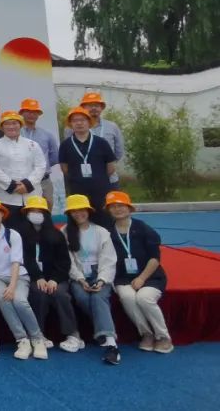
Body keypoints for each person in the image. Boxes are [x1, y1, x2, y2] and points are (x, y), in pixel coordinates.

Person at [0, 197, 46, 360]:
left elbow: (16, 262)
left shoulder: (12, 234)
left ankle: (37, 338)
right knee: (4, 299)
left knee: (20, 301)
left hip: (18, 276)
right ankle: (22, 340)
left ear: (2, 214)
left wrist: (13, 286)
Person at [105, 191, 174, 353]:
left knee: (144, 298)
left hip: (150, 276)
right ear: (108, 211)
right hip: (122, 277)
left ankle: (163, 336)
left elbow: (155, 258)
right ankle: (146, 334)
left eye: (121, 206)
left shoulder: (143, 229)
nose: (117, 209)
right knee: (128, 297)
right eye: (113, 207)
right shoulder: (107, 232)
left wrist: (142, 278)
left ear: (129, 208)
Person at [64, 194, 120, 365]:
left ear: (88, 211)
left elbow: (108, 260)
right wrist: (80, 279)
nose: (78, 213)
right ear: (69, 213)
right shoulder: (65, 232)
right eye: (74, 211)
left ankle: (111, 344)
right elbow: (68, 261)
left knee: (98, 296)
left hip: (99, 272)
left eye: (82, 210)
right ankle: (103, 329)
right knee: (81, 296)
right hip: (78, 274)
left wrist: (102, 280)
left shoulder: (101, 232)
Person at [20, 196, 79, 352]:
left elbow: (64, 262)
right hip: (34, 277)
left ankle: (72, 334)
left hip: (56, 278)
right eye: (32, 211)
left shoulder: (57, 235)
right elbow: (25, 259)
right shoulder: (21, 235)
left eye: (39, 211)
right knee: (38, 294)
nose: (36, 214)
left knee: (60, 294)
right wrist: (38, 277)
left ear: (46, 214)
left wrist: (54, 279)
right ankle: (38, 333)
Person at [0, 111, 47, 228]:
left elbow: (41, 166)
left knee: (34, 230)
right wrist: (12, 185)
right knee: (11, 230)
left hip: (32, 195)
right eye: (7, 124)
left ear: (20, 125)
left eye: (14, 123)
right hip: (6, 197)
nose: (11, 126)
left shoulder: (33, 145)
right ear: (2, 127)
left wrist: (27, 184)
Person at [60, 107, 116, 229]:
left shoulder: (101, 142)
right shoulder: (65, 145)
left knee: (105, 222)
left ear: (89, 122)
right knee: (78, 223)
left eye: (82, 120)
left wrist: (98, 178)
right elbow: (64, 168)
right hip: (77, 190)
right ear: (70, 124)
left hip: (100, 190)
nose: (79, 123)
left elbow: (111, 167)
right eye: (75, 120)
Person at [19, 100, 60, 209]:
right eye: (28, 111)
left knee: (46, 209)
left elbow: (54, 157)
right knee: (27, 210)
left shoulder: (47, 135)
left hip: (44, 180)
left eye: (35, 112)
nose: (31, 114)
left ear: (38, 115)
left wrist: (42, 167)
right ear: (22, 113)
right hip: (23, 180)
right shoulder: (16, 134)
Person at [78, 92, 125, 186]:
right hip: (83, 180)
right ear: (83, 108)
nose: (94, 108)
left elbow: (119, 151)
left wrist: (108, 164)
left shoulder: (112, 126)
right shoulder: (74, 128)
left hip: (109, 178)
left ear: (102, 108)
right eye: (90, 105)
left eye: (97, 105)